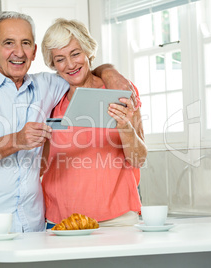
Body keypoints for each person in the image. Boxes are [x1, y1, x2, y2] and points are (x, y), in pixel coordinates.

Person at [0, 11, 134, 236]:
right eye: (8, 43)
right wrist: (17, 140)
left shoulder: (47, 85)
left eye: (25, 43)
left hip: (31, 227)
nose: (19, 52)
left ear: (34, 51)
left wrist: (110, 72)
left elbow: (78, 69)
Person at [40, 18, 148, 228]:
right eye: (60, 59)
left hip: (116, 218)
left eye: (75, 53)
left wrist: (125, 127)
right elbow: (41, 163)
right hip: (60, 220)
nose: (70, 65)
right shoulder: (51, 100)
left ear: (89, 51)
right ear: (53, 64)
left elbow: (138, 159)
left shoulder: (119, 92)